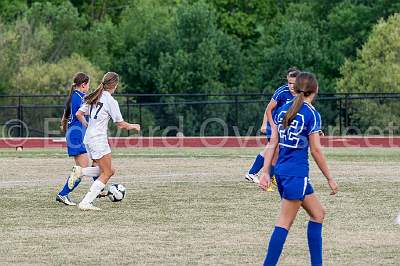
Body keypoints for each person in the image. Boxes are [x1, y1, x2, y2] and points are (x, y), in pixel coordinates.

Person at [259, 72, 338, 265]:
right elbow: (316, 151)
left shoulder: (283, 110)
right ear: (315, 90)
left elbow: (272, 143)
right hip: (296, 175)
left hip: (284, 173)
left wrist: (266, 171)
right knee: (284, 224)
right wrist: (330, 178)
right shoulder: (311, 113)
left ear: (294, 88)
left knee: (318, 214)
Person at [71, 72, 140, 210]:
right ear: (115, 85)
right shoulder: (110, 101)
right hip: (98, 140)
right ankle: (86, 202)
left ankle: (81, 171)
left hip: (89, 139)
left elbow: (79, 114)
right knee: (107, 173)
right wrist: (133, 126)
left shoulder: (93, 97)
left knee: (109, 170)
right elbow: (120, 124)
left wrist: (87, 125)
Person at [245, 67, 300, 186]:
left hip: (284, 126)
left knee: (276, 150)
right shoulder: (281, 92)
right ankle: (258, 175)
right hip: (274, 123)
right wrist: (267, 124)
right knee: (274, 149)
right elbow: (269, 109)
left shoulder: (301, 94)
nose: (291, 86)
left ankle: (265, 175)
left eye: (294, 83)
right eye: (289, 83)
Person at [56, 72, 101, 206]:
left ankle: (99, 188)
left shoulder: (72, 97)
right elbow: (80, 113)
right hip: (77, 135)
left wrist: (65, 129)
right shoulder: (81, 97)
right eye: (88, 85)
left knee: (94, 161)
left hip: (74, 134)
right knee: (82, 169)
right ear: (83, 85)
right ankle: (63, 194)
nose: (89, 88)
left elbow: (64, 118)